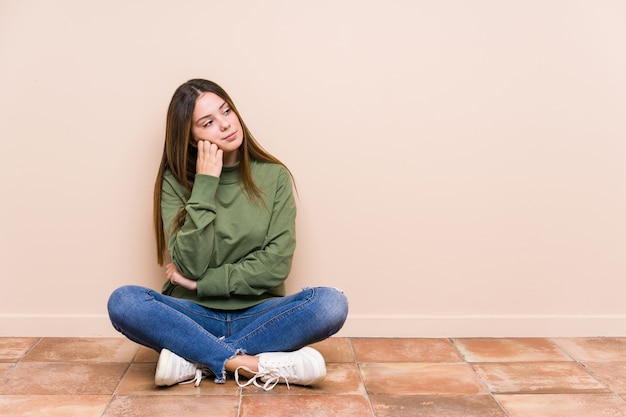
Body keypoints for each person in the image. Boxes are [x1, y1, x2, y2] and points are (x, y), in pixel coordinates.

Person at [107, 79, 348, 390]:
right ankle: (249, 364)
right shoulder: (176, 181)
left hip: (261, 314)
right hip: (192, 314)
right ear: (192, 139)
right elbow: (191, 262)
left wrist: (201, 284)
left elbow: (276, 265)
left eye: (226, 111)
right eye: (208, 123)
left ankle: (195, 357)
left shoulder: (274, 176)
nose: (225, 125)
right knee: (124, 301)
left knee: (331, 304)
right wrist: (206, 183)